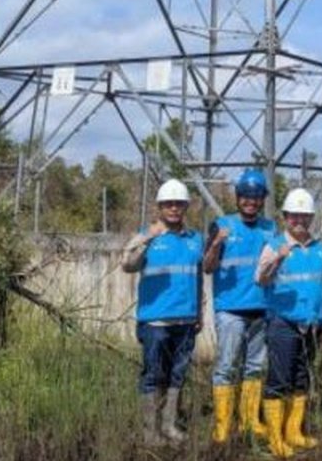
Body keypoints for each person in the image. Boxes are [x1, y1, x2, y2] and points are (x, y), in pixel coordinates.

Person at [122, 179, 204, 445]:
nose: (173, 208)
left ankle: (168, 426)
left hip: (186, 319)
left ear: (185, 207)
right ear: (159, 207)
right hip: (155, 320)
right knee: (153, 374)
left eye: (178, 204)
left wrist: (199, 314)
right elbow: (128, 264)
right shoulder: (148, 237)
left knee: (177, 374)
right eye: (168, 204)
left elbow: (198, 276)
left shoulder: (195, 240)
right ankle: (150, 432)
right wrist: (148, 237)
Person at [203, 168, 276, 442]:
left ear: (262, 199)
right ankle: (223, 425)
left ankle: (249, 420)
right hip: (231, 311)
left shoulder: (270, 228)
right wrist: (215, 246)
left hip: (262, 309)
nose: (251, 201)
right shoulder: (222, 226)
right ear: (238, 197)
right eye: (246, 196)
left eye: (256, 196)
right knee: (226, 367)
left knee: (255, 367)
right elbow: (208, 267)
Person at [255, 188, 322, 458]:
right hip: (283, 323)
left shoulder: (319, 248)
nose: (300, 221)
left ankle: (293, 432)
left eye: (304, 216)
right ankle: (275, 438)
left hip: (311, 324)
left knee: (301, 378)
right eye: (294, 216)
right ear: (285, 217)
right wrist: (278, 259)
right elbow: (260, 279)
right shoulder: (274, 245)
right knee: (279, 379)